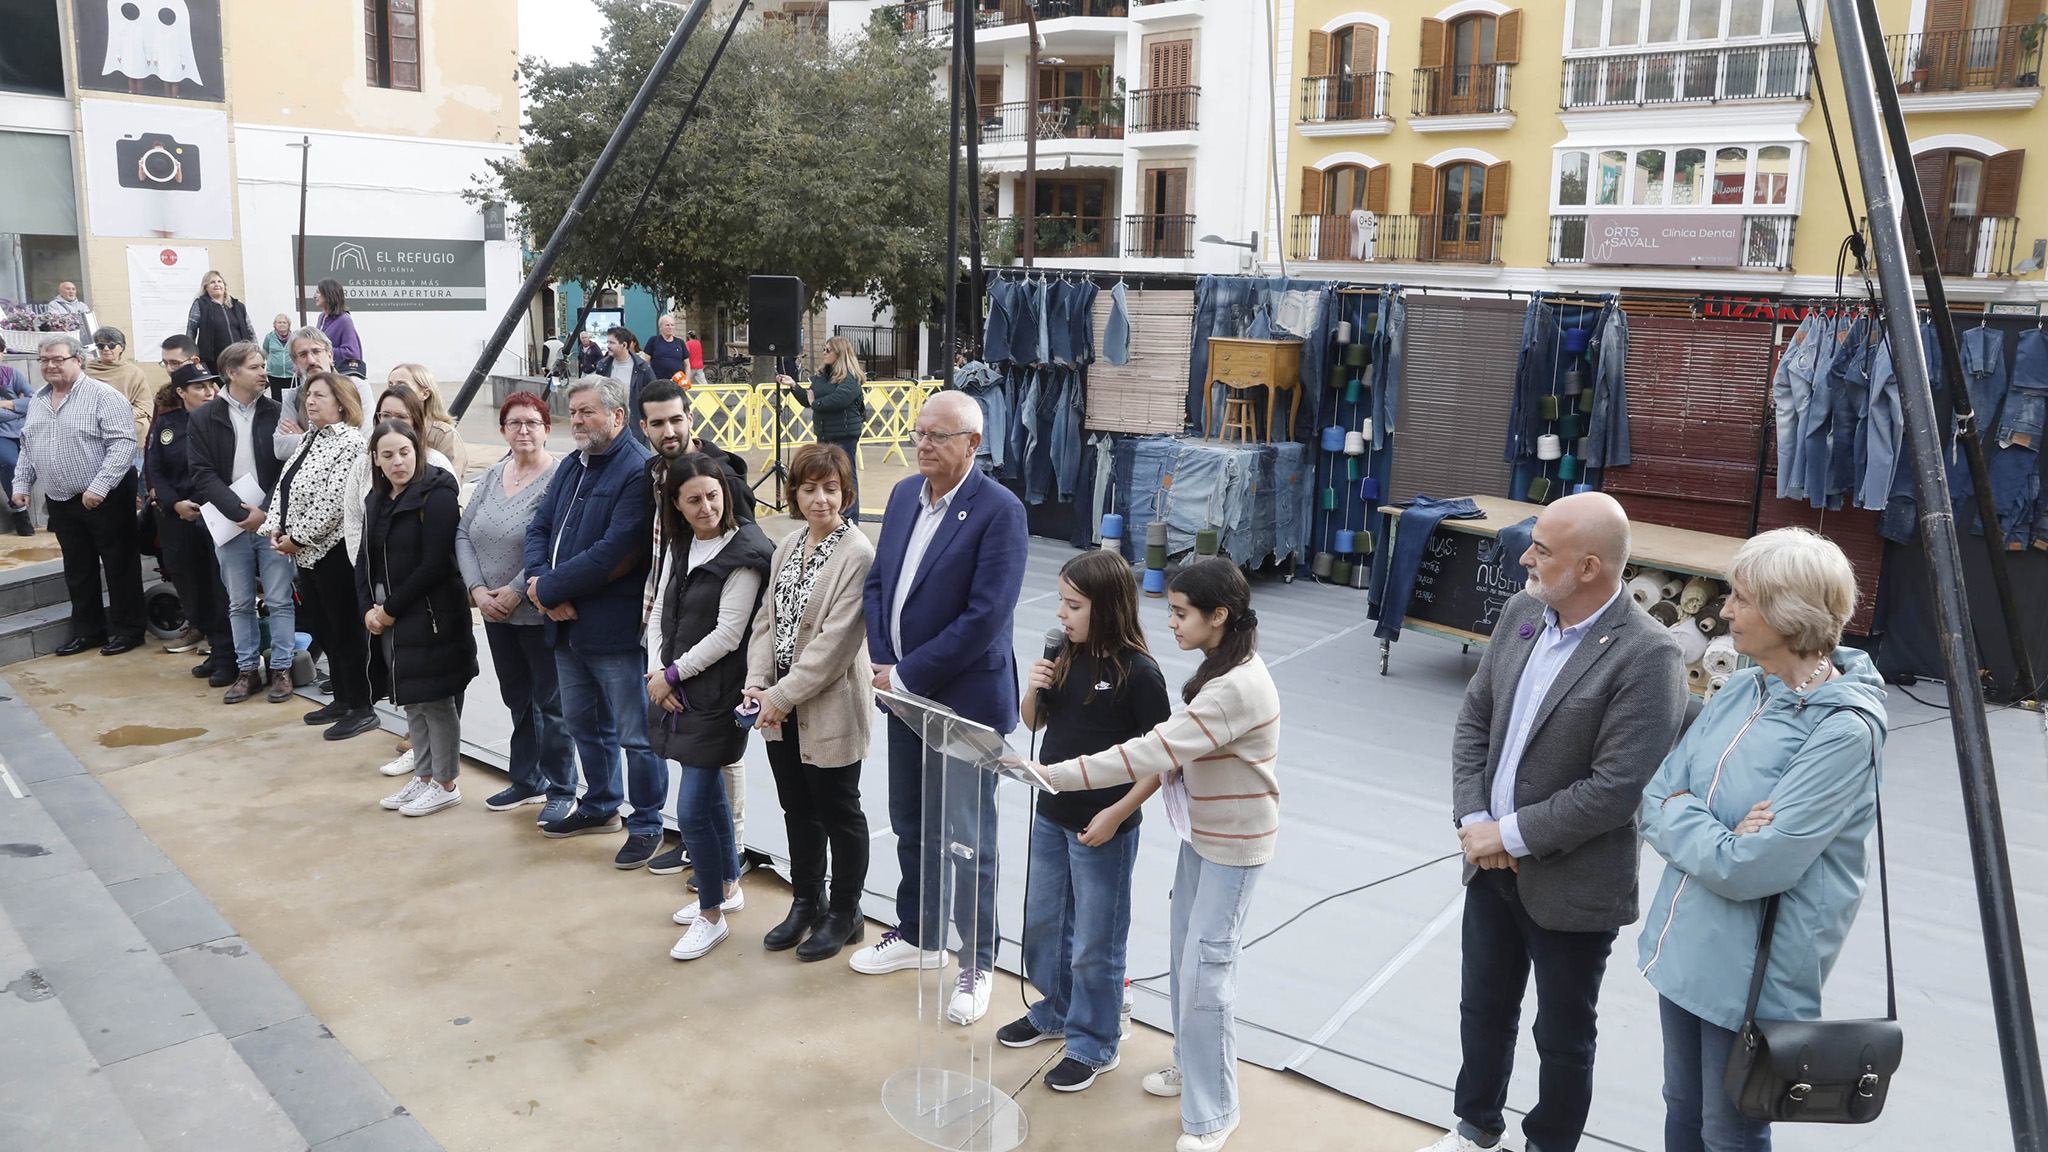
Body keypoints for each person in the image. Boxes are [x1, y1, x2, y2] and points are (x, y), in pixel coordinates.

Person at [1418, 491, 1687, 1152]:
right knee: (1482, 1011)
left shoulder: (1649, 657)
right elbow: (1475, 720)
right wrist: (1477, 819)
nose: (1527, 558)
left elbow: (1618, 789)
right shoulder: (1522, 613)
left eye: (1542, 549)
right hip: (1488, 865)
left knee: (1562, 1036)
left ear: (1589, 567)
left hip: (1572, 887)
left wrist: (1509, 835)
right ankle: (1475, 1127)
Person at [1637, 528, 1887, 1152]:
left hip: (1754, 970)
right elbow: (1653, 795)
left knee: (1731, 1129)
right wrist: (1715, 829)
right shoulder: (1745, 688)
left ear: (1789, 611)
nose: (1722, 611)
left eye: (1741, 599)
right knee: (1683, 1111)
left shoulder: (1845, 731)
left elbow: (1754, 867)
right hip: (1687, 943)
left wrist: (1689, 817)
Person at [1015, 558, 1276, 1152]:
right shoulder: (1217, 670)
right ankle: (1189, 1064)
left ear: (1220, 616)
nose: (1173, 624)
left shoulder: (1226, 686)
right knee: (1187, 958)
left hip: (1233, 847)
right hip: (1203, 838)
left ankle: (1214, 1111)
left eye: (1182, 613)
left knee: (1206, 972)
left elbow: (1149, 754)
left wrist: (1051, 775)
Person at [851, 391, 1028, 1029]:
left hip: (963, 703)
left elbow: (985, 618)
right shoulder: (902, 496)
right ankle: (921, 933)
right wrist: (882, 660)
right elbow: (878, 585)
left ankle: (978, 961)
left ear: (973, 444)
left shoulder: (999, 512)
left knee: (970, 840)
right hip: (902, 695)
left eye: (938, 436)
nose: (923, 445)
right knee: (912, 821)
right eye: (918, 432)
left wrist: (907, 673)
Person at [1000, 549, 1172, 1092]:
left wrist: (1117, 813)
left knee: (1097, 940)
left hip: (1104, 826)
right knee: (1045, 924)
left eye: (1073, 605)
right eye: (1060, 602)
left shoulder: (1140, 674)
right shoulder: (1065, 656)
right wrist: (1035, 683)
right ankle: (1055, 1010)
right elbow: (1033, 720)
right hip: (1052, 813)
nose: (1061, 615)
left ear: (1107, 607)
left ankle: (1095, 1042)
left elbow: (1165, 759)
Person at [523, 377, 665, 866]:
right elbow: (539, 527)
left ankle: (647, 822)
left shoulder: (637, 470)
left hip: (613, 629)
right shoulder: (571, 466)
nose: (577, 421)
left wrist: (550, 589)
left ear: (618, 416)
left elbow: (617, 551)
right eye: (574, 412)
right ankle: (601, 805)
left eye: (586, 412)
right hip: (565, 627)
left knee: (635, 735)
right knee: (585, 724)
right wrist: (540, 586)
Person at [742, 443, 874, 962]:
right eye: (809, 488)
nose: (820, 499)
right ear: (793, 492)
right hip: (778, 706)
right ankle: (806, 900)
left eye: (831, 489)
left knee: (838, 810)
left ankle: (846, 912)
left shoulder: (857, 553)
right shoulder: (787, 545)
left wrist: (777, 696)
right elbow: (765, 624)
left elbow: (835, 646)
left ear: (846, 492)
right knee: (797, 808)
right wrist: (757, 684)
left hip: (830, 705)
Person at [647, 453, 773, 960]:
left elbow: (728, 633)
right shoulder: (682, 545)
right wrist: (657, 672)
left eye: (713, 495)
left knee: (694, 806)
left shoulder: (744, 551)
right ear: (676, 505)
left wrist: (671, 674)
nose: (707, 507)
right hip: (674, 686)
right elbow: (658, 606)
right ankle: (726, 884)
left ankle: (710, 915)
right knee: (708, 799)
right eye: (693, 499)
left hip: (717, 695)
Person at [636, 378, 753, 877]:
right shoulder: (652, 476)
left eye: (676, 419)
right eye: (658, 422)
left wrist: (674, 671)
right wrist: (657, 668)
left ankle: (731, 855)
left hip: (713, 653)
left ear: (691, 419)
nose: (669, 429)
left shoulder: (721, 479)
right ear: (644, 428)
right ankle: (708, 852)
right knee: (693, 754)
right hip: (671, 628)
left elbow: (738, 602)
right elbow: (662, 562)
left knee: (721, 757)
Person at [456, 392, 575, 821]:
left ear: (547, 428)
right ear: (502, 429)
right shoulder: (491, 475)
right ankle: (527, 779)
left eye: (532, 422)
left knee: (551, 703)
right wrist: (477, 590)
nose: (523, 430)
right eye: (514, 423)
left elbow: (560, 542)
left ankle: (562, 787)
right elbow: (463, 534)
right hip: (493, 612)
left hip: (536, 609)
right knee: (517, 698)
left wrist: (514, 589)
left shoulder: (562, 477)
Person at [359, 418, 477, 817]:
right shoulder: (376, 499)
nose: (398, 462)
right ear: (375, 459)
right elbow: (365, 560)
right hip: (390, 616)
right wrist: (368, 610)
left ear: (417, 451)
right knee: (412, 698)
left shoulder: (436, 494)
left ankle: (445, 782)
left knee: (436, 700)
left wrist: (388, 611)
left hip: (430, 615)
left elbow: (434, 566)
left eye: (405, 453)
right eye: (388, 455)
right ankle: (424, 775)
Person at [10, 335, 146, 656]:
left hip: (106, 495)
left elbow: (124, 444)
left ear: (78, 360)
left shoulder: (104, 396)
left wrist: (99, 487)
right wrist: (20, 485)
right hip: (62, 499)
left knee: (119, 565)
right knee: (77, 568)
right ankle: (89, 632)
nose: (49, 366)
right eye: (44, 360)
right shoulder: (39, 401)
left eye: (57, 359)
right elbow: (29, 446)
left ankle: (129, 631)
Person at [261, 371, 378, 741]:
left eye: (319, 396)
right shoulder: (309, 438)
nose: (309, 402)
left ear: (341, 402)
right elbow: (285, 486)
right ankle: (342, 698)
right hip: (305, 554)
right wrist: (275, 528)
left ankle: (362, 705)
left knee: (346, 631)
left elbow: (335, 503)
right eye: (308, 395)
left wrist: (298, 537)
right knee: (325, 629)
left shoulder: (350, 443)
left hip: (334, 553)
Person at [188, 340, 300, 704]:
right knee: (238, 601)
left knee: (281, 598)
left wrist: (265, 512)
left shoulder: (276, 411)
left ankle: (282, 669)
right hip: (229, 523)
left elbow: (289, 464)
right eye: (255, 366)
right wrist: (240, 513)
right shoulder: (204, 417)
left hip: (272, 520)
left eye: (263, 365)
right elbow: (202, 474)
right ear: (232, 373)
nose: (263, 371)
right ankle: (248, 670)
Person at [144, 364, 234, 682]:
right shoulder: (167, 425)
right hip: (179, 515)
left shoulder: (225, 418)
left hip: (216, 514)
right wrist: (175, 503)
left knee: (219, 584)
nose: (209, 391)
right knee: (189, 580)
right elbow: (156, 468)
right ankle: (210, 640)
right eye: (200, 387)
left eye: (211, 385)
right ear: (181, 393)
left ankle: (225, 651)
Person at [342, 385, 455, 573]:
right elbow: (353, 520)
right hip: (375, 576)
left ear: (416, 421)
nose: (392, 422)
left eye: (401, 416)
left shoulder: (436, 463)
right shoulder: (363, 462)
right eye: (385, 415)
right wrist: (366, 572)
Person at [777, 334, 867, 515]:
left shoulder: (851, 378)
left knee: (846, 475)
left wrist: (815, 403)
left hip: (845, 433)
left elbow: (838, 400)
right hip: (824, 433)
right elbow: (809, 398)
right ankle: (830, 514)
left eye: (828, 350)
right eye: (824, 350)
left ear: (840, 353)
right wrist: (794, 386)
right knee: (826, 475)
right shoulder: (821, 377)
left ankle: (849, 516)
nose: (824, 353)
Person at [387, 362, 469, 480]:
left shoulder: (444, 436)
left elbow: (451, 485)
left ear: (425, 394)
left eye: (402, 385)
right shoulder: (386, 429)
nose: (394, 391)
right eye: (390, 385)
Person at [83, 327, 152, 446]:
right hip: (93, 418)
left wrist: (134, 411)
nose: (106, 349)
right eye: (101, 346)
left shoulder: (134, 372)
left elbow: (145, 402)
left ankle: (137, 462)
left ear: (122, 347)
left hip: (125, 418)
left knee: (142, 425)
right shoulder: (87, 371)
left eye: (111, 345)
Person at [187, 270, 255, 374]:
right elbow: (191, 331)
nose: (217, 284)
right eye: (212, 282)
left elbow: (250, 330)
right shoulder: (200, 305)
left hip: (240, 358)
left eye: (219, 281)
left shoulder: (237, 306)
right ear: (206, 287)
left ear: (224, 285)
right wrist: (190, 354)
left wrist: (255, 351)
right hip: (214, 361)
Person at [601, 327, 655, 445]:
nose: (608, 346)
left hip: (636, 426)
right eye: (607, 342)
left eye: (612, 343)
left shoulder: (642, 368)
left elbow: (654, 395)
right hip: (609, 425)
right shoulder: (603, 366)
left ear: (624, 345)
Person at [0, 361, 33, 536]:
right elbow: (26, 405)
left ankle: (53, 512)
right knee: (9, 463)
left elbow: (34, 399)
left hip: (24, 431)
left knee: (41, 464)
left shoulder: (12, 374)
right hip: (2, 435)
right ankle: (19, 511)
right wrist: (19, 408)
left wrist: (4, 404)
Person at [316, 279, 365, 377]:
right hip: (325, 375)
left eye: (318, 292)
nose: (314, 296)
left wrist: (322, 351)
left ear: (328, 294)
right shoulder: (321, 317)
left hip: (340, 376)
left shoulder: (344, 320)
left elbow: (352, 353)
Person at [262, 315, 295, 400]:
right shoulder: (269, 337)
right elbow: (265, 350)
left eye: (284, 322)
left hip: (291, 374)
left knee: (291, 399)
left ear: (288, 324)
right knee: (277, 398)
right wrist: (271, 361)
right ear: (275, 324)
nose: (282, 324)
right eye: (279, 322)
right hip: (274, 374)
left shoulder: (294, 337)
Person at [646, 314, 687, 381]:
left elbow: (687, 365)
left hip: (678, 384)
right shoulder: (653, 341)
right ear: (660, 327)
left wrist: (686, 380)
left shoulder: (680, 343)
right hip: (658, 383)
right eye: (667, 325)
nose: (670, 327)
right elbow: (646, 362)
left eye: (672, 325)